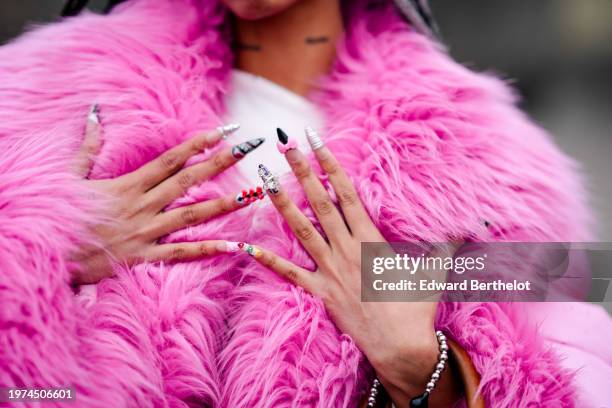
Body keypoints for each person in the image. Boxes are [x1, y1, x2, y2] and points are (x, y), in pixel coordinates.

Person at [0, 0, 610, 406]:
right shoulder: (36, 95)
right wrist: (37, 245)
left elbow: (569, 372)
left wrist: (429, 372)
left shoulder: (489, 165)